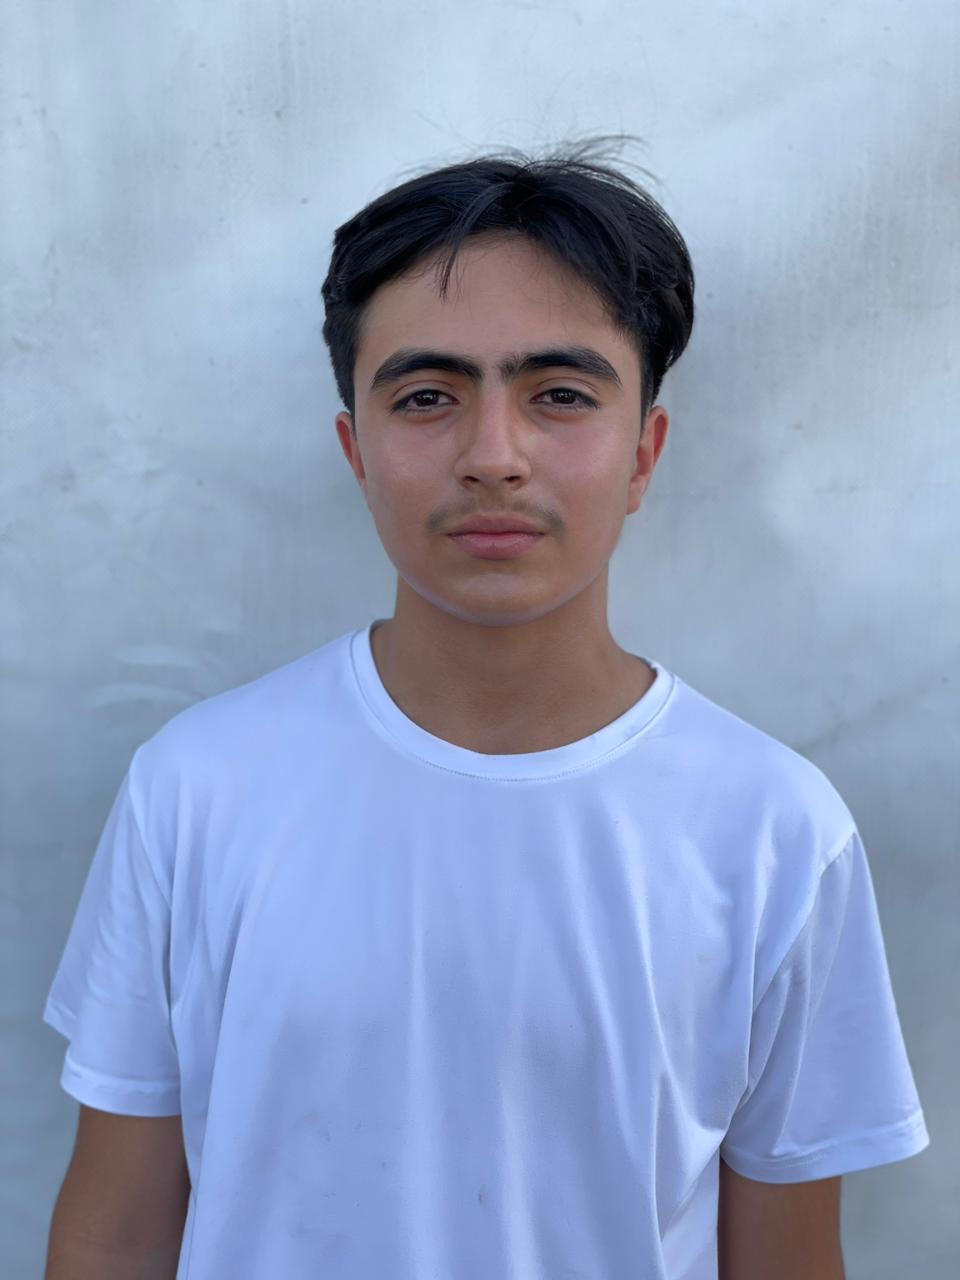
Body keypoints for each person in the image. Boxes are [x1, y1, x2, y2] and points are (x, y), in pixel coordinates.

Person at [42, 139, 929, 1279]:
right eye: (428, 397)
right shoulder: (196, 791)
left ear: (644, 452)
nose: (493, 456)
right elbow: (114, 1236)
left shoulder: (776, 833)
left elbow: (787, 1260)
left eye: (560, 394)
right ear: (356, 450)